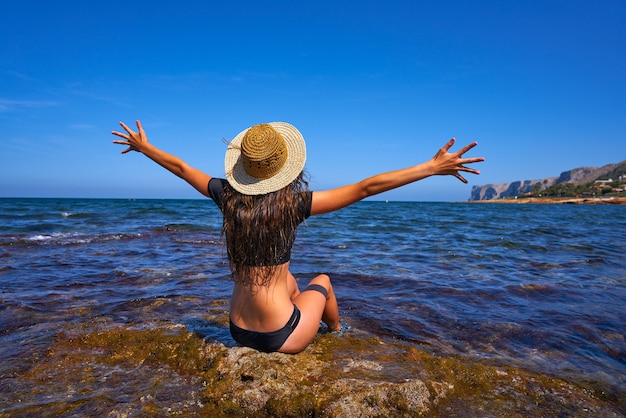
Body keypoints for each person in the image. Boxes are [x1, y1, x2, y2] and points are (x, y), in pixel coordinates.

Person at [112, 120, 484, 354]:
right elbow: (367, 187)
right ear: (283, 167)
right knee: (322, 281)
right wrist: (431, 167)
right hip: (281, 335)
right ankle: (338, 333)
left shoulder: (226, 196)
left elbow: (180, 168)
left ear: (244, 168)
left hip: (237, 330)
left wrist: (144, 148)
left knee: (288, 278)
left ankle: (308, 320)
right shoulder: (293, 204)